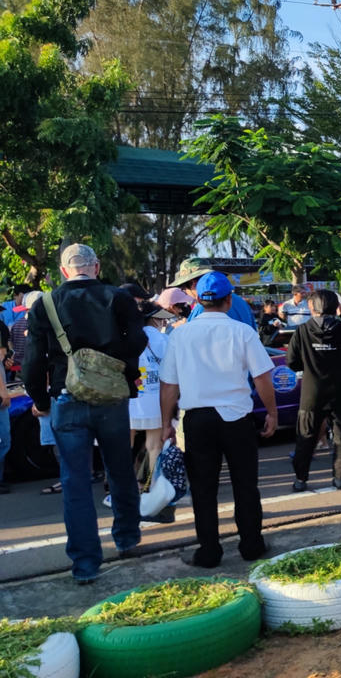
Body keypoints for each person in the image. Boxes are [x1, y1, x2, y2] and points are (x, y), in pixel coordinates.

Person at [22, 244, 146, 583]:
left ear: (63, 271)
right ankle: (127, 538)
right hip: (111, 398)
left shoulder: (45, 304)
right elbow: (137, 341)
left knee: (74, 482)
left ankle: (86, 565)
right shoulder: (117, 297)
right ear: (97, 266)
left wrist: (39, 399)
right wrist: (112, 365)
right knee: (120, 469)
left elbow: (32, 361)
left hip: (66, 397)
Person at [158, 272, 275, 569]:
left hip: (197, 419)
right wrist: (272, 413)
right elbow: (262, 377)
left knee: (203, 489)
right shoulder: (242, 332)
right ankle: (251, 545)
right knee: (245, 485)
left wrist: (165, 425)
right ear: (229, 299)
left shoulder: (180, 334)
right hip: (236, 418)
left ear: (197, 299)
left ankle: (209, 551)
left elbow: (169, 385)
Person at [287, 290, 341, 491]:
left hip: (311, 392)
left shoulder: (302, 330)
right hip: (340, 391)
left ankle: (300, 479)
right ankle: (339, 478)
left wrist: (307, 365)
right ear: (335, 307)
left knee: (306, 438)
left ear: (311, 307)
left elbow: (292, 362)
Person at [131, 302, 174, 481]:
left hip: (131, 399)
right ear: (155, 319)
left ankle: (124, 485)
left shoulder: (128, 338)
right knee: (154, 444)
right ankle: (150, 483)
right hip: (156, 400)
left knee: (126, 444)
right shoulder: (164, 340)